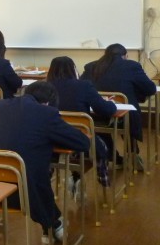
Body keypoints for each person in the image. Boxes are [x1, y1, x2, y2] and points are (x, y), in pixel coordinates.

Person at [0, 81, 90, 245]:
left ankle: (54, 223)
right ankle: (52, 224)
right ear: (48, 103)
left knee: (31, 165)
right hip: (26, 195)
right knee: (36, 169)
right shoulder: (46, 114)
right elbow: (82, 143)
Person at [80, 43, 156, 169]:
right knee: (126, 113)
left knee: (102, 121)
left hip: (94, 114)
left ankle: (112, 156)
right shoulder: (131, 66)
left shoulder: (91, 66)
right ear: (125, 55)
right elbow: (150, 89)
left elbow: (82, 88)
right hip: (124, 116)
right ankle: (133, 152)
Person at [47, 56, 115, 190]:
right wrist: (111, 103)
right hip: (80, 136)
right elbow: (104, 109)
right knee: (101, 147)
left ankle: (73, 176)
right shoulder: (84, 85)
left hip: (53, 137)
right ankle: (96, 178)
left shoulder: (45, 88)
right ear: (73, 69)